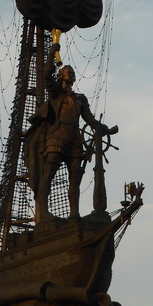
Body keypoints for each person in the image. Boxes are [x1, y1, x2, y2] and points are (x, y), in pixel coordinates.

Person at [25, 43, 118, 222]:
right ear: (61, 75)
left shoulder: (80, 98)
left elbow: (90, 120)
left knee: (75, 178)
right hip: (57, 136)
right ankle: (43, 211)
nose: (72, 74)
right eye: (69, 71)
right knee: (49, 172)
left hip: (75, 138)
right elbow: (46, 76)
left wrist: (103, 129)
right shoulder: (55, 94)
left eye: (73, 73)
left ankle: (74, 213)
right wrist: (52, 53)